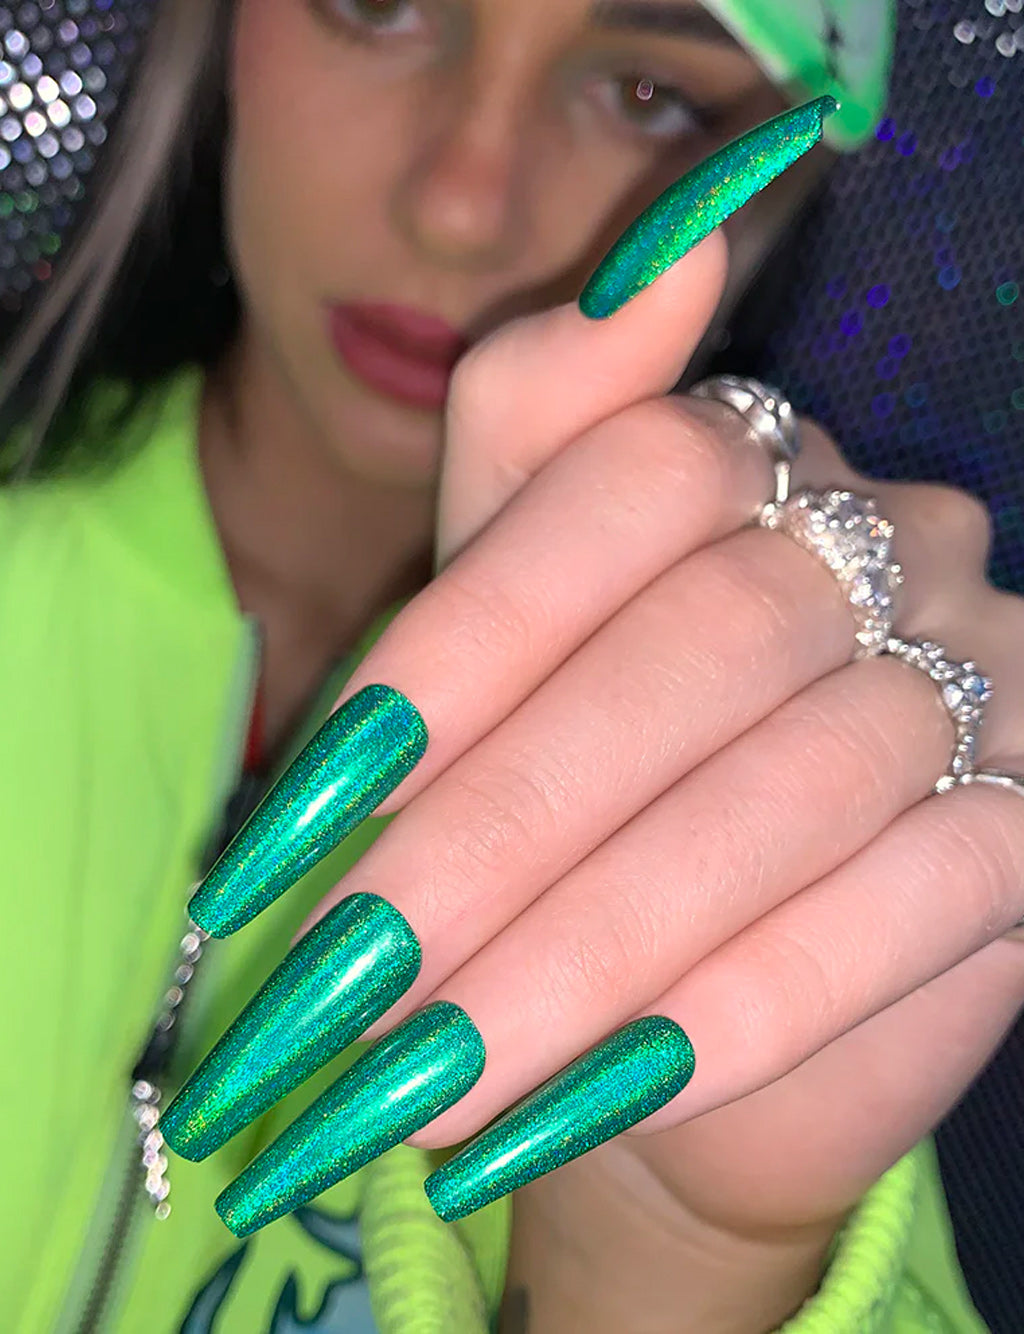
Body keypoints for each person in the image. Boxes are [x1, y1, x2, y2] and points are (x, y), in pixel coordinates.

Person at [0, 1, 1020, 1331]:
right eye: (374, 5)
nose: (459, 206)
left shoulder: (779, 871)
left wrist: (684, 1251)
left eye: (650, 93)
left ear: (791, 174)